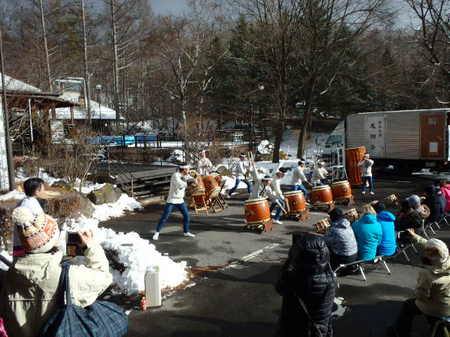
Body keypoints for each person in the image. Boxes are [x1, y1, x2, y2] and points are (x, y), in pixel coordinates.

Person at [0, 207, 113, 337]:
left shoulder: (9, 277)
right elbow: (104, 277)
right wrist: (91, 247)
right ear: (51, 242)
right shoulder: (69, 276)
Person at [389, 230, 450, 337]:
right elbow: (432, 246)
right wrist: (415, 237)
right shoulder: (445, 258)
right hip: (447, 302)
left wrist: (416, 292)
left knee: (408, 305)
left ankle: (400, 332)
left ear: (429, 256)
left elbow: (421, 296)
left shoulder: (427, 274)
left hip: (439, 308)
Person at [275, 232, 336, 337]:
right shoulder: (329, 277)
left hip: (293, 325)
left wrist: (289, 262)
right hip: (318, 327)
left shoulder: (294, 277)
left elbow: (280, 288)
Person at [153, 164, 196, 240]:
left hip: (180, 200)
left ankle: (186, 232)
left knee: (186, 216)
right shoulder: (175, 175)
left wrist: (195, 178)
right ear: (184, 169)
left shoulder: (186, 176)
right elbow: (180, 184)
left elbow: (193, 180)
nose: (189, 170)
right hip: (172, 200)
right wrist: (189, 183)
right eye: (188, 169)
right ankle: (157, 233)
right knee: (165, 217)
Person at [14, 177, 46, 256]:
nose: (44, 190)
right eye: (43, 188)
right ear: (37, 191)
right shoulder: (31, 204)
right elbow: (39, 223)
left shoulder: (25, 201)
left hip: (21, 241)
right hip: (28, 243)